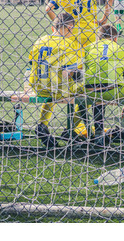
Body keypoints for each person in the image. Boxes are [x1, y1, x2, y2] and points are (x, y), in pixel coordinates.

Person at [83, 24, 124, 143]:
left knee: (97, 88)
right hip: (113, 90)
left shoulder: (88, 47)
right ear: (115, 38)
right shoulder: (119, 48)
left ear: (98, 37)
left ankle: (98, 133)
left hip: (89, 91)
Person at [28, 12, 84, 148]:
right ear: (70, 28)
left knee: (52, 86)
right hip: (59, 89)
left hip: (38, 86)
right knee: (87, 92)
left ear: (54, 28)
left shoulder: (40, 40)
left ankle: (42, 124)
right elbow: (69, 73)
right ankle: (70, 129)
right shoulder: (68, 44)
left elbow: (30, 64)